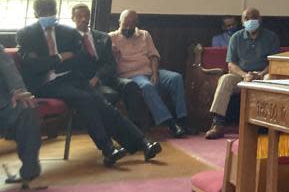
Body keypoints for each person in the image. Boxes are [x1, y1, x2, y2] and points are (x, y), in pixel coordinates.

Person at [16, 0, 162, 166]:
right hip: (44, 84)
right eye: (44, 13)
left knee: (103, 104)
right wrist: (60, 57)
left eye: (51, 12)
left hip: (72, 79)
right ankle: (108, 147)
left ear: (56, 12)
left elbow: (80, 60)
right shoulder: (26, 34)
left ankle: (142, 143)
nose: (49, 15)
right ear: (36, 14)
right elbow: (32, 66)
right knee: (85, 99)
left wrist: (50, 61)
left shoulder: (66, 32)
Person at [110, 10, 189, 138]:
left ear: (137, 24)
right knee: (147, 86)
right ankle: (170, 123)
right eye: (126, 24)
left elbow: (153, 56)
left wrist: (155, 73)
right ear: (119, 22)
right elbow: (108, 62)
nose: (129, 27)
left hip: (149, 70)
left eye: (132, 24)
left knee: (176, 78)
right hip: (130, 74)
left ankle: (183, 120)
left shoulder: (144, 35)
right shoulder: (111, 37)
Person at [204, 8, 279, 139]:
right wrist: (245, 75)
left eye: (254, 17)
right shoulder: (236, 38)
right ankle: (218, 124)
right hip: (242, 74)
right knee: (225, 79)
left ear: (260, 19)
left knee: (271, 78)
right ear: (242, 22)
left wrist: (261, 74)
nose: (251, 21)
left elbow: (274, 62)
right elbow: (231, 64)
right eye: (247, 18)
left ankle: (265, 125)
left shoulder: (271, 37)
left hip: (263, 73)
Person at [71, 3, 146, 127]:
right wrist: (90, 80)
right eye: (79, 16)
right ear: (73, 18)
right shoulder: (68, 39)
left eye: (86, 16)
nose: (83, 19)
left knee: (130, 85)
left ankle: (136, 127)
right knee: (109, 94)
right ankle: (110, 130)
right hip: (85, 81)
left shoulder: (103, 37)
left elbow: (110, 63)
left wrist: (98, 77)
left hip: (105, 77)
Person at [0, 46, 41, 186]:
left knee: (26, 108)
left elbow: (9, 71)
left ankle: (29, 172)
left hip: (4, 104)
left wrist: (18, 91)